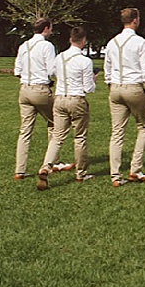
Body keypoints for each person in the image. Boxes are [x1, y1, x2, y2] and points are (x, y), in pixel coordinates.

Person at [37, 26, 97, 189]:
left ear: (70, 39)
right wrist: (93, 79)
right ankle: (81, 173)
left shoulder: (59, 58)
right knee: (79, 138)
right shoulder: (85, 61)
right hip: (76, 99)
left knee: (57, 136)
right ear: (83, 41)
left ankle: (46, 167)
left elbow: (53, 73)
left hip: (60, 98)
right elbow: (88, 88)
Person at [13, 18, 71, 180]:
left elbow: (17, 70)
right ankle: (52, 162)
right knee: (55, 122)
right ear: (46, 28)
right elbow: (52, 70)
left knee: (25, 130)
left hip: (24, 89)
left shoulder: (24, 45)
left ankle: (20, 170)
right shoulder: (47, 46)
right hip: (40, 89)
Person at [104, 7, 145, 186]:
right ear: (135, 20)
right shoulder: (140, 42)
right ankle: (135, 169)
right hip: (133, 87)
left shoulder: (112, 42)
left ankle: (115, 175)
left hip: (115, 88)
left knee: (117, 132)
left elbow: (107, 69)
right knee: (144, 126)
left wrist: (112, 85)